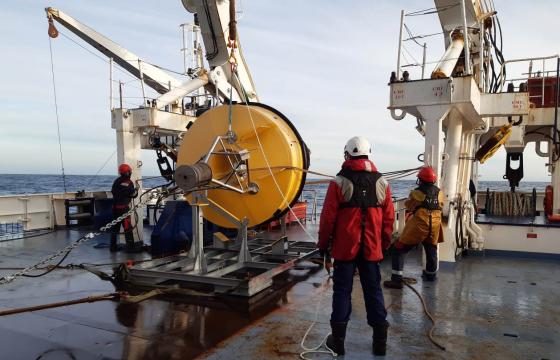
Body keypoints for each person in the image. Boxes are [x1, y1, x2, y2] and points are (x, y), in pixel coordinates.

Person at [317, 136, 395, 356]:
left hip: (344, 250)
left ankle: (338, 341)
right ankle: (380, 343)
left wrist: (323, 245)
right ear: (368, 154)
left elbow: (328, 218)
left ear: (347, 154)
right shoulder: (382, 183)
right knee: (374, 291)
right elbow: (388, 219)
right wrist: (384, 243)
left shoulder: (339, 182)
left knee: (342, 292)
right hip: (371, 249)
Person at [384, 166, 444, 289]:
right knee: (431, 249)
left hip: (420, 225)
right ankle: (431, 276)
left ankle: (396, 280)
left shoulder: (417, 193)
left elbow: (409, 206)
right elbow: (441, 205)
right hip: (435, 225)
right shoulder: (440, 192)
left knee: (398, 248)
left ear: (421, 179)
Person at [110, 163, 138, 253]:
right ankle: (130, 248)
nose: (130, 173)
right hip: (124, 210)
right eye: (129, 172)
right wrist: (136, 189)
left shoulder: (116, 181)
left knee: (115, 228)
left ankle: (113, 247)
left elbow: (113, 191)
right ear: (127, 172)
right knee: (127, 228)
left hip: (115, 209)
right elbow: (133, 194)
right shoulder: (129, 183)